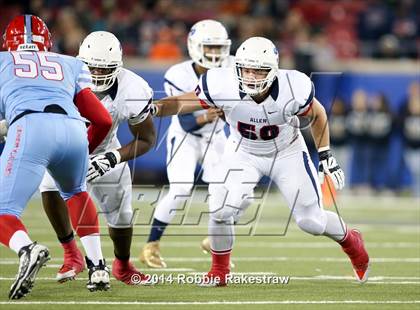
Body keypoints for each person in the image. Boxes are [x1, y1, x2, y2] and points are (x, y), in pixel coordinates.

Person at [152, 36, 370, 285]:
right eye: (247, 69)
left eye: (259, 71)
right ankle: (219, 271)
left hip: (287, 152)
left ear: (273, 71)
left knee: (311, 221)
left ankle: (352, 242)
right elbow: (182, 101)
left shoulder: (293, 86)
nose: (252, 76)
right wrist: (154, 108)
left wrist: (325, 153)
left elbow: (317, 113)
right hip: (243, 151)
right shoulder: (220, 83)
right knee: (221, 210)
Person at [0, 15, 113, 299]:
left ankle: (27, 249)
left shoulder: (3, 62)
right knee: (75, 192)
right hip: (73, 128)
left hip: (30, 127)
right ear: (47, 43)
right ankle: (98, 267)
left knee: (3, 212)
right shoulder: (69, 63)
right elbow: (102, 119)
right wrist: (84, 152)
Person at [38, 31, 156, 285]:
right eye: (92, 68)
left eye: (105, 69)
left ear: (119, 67)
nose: (98, 75)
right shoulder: (61, 76)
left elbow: (147, 139)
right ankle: (72, 254)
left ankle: (122, 266)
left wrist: (113, 158)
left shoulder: (132, 87)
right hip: (64, 149)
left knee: (121, 216)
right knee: (48, 186)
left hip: (105, 151)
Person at [140, 19, 243, 269]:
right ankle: (151, 245)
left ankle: (215, 241)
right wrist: (207, 114)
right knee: (181, 189)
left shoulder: (232, 70)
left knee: (235, 192)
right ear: (195, 47)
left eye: (220, 47)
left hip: (217, 136)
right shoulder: (178, 74)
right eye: (210, 47)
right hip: (186, 138)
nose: (216, 53)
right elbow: (186, 122)